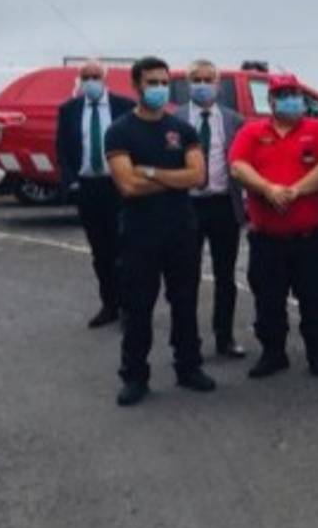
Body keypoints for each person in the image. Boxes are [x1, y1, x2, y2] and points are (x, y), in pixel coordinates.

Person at [103, 56, 215, 406]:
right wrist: (173, 178)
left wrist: (150, 172)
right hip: (140, 233)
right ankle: (135, 376)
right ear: (136, 85)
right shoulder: (119, 131)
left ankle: (188, 367)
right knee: (138, 306)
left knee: (185, 301)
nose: (159, 89)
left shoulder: (183, 130)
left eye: (164, 82)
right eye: (152, 83)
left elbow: (198, 177)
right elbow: (127, 186)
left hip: (181, 229)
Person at [227, 74, 318, 379]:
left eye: (295, 94)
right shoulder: (252, 131)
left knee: (315, 297)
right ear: (271, 101)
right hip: (267, 239)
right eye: (284, 94)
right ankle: (273, 354)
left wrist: (295, 190)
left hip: (311, 237)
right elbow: (237, 165)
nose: (292, 100)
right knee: (268, 300)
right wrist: (267, 189)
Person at [173, 59, 247, 358]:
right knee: (185, 276)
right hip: (187, 205)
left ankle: (224, 336)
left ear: (218, 84)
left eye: (208, 79)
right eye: (196, 80)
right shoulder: (175, 120)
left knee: (225, 276)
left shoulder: (233, 120)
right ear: (189, 84)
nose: (202, 85)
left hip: (223, 205)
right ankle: (187, 342)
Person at [55, 59, 134, 328]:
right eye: (85, 76)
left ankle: (128, 305)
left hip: (119, 185)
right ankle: (109, 304)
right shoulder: (69, 110)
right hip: (88, 188)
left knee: (123, 248)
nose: (90, 80)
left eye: (95, 75)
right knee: (100, 251)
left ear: (105, 77)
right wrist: (71, 183)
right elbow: (63, 151)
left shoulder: (124, 107)